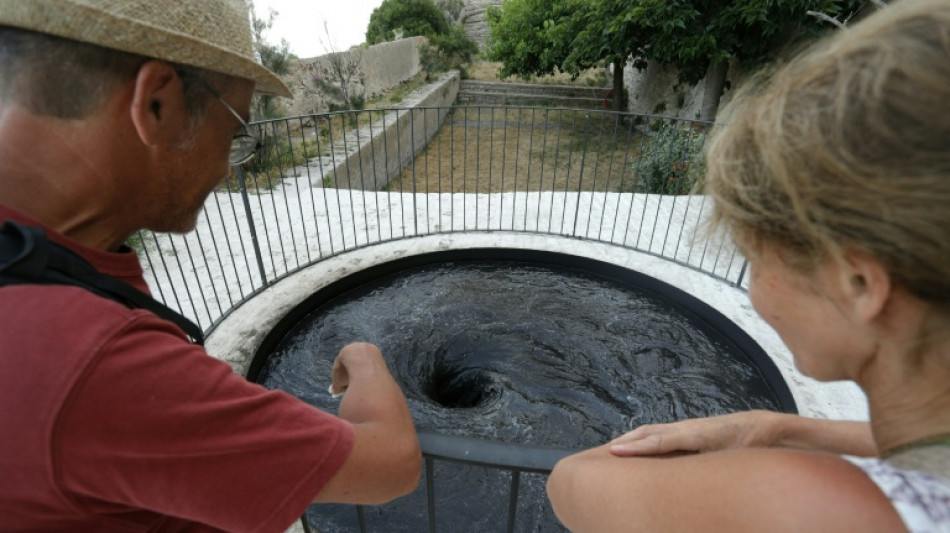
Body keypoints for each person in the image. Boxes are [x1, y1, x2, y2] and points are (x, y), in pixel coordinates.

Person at [0, 1, 420, 531]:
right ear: (158, 104)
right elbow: (391, 462)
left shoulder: (45, 268)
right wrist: (364, 356)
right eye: (236, 128)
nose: (226, 165)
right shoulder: (95, 362)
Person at [546, 0, 950, 531]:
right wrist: (779, 429)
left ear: (856, 283)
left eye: (755, 255)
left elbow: (572, 482)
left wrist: (760, 460)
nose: (756, 289)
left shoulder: (808, 509)